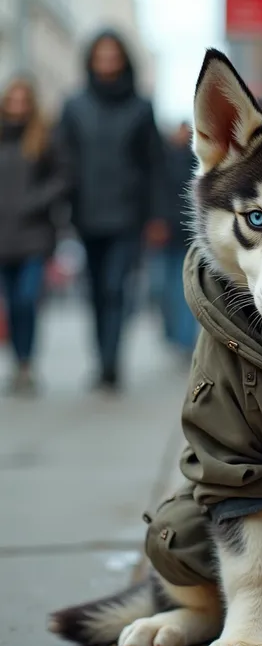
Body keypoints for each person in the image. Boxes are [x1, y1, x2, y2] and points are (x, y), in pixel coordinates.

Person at [60, 29, 166, 392]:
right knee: (94, 290)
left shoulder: (141, 107)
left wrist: (156, 216)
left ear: (123, 61)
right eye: (101, 56)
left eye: (113, 56)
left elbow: (154, 164)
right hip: (86, 213)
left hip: (127, 213)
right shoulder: (74, 107)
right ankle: (101, 358)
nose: (107, 62)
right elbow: (64, 160)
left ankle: (110, 363)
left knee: (115, 286)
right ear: (91, 61)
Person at [0, 76, 69, 394]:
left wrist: (34, 200)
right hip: (3, 236)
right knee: (11, 304)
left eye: (22, 101)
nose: (17, 106)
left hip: (33, 236)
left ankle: (27, 362)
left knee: (27, 299)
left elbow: (61, 179)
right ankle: (19, 364)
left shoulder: (43, 139)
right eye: (12, 100)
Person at [146, 121, 197, 358]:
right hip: (164, 233)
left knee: (182, 287)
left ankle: (184, 338)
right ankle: (172, 333)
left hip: (187, 235)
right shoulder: (161, 161)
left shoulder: (196, 161)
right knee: (162, 288)